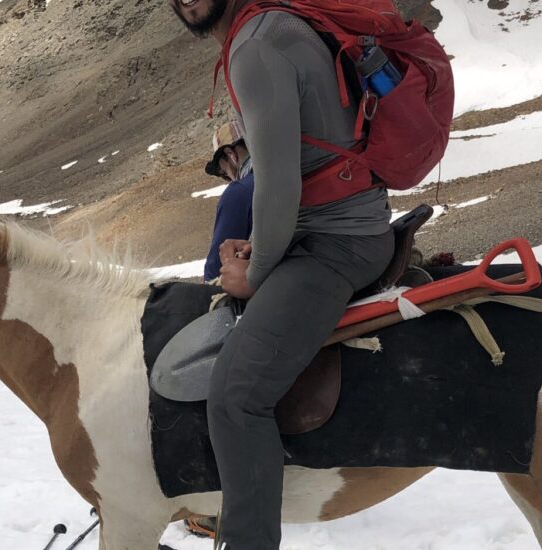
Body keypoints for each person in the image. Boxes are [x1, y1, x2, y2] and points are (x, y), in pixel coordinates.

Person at [169, 1, 395, 548]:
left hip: (336, 244)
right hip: (328, 228)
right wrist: (267, 244)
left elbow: (276, 184)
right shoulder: (273, 24)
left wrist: (257, 272)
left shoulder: (254, 46)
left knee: (234, 395)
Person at [203, 121, 255, 283]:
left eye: (223, 172)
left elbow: (216, 270)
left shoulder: (240, 191)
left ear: (231, 155)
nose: (227, 179)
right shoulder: (294, 170)